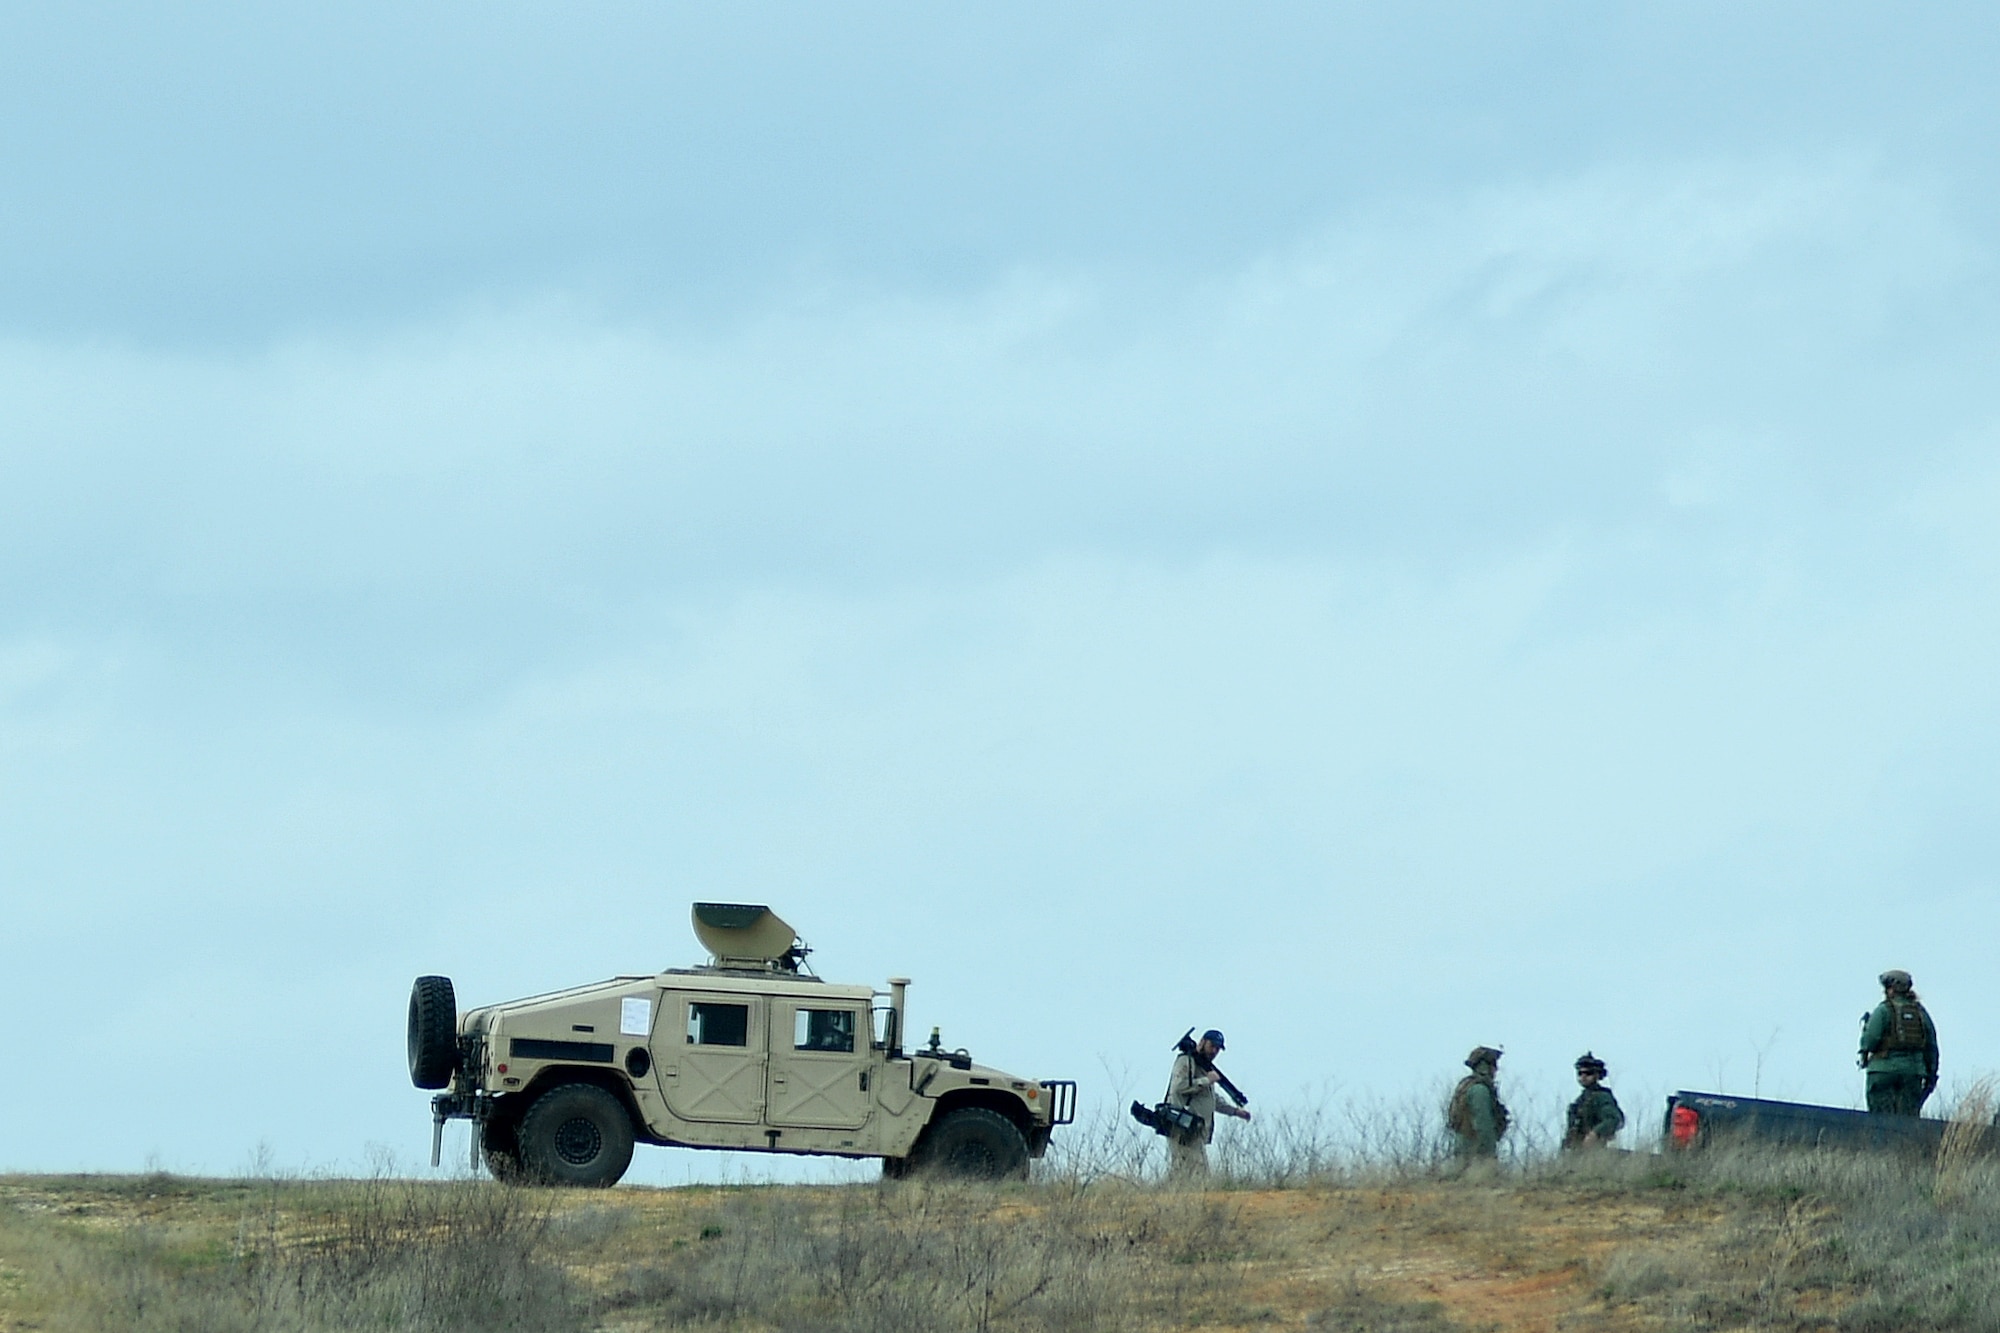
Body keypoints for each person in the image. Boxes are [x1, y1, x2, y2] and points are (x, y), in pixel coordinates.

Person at [1164, 1029, 1251, 1179]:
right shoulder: (1186, 1061)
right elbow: (1178, 1087)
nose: (1215, 1051)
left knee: (1186, 1173)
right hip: (1181, 1127)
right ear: (1202, 1042)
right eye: (1212, 1046)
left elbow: (1210, 1100)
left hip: (1195, 1131)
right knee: (1198, 1174)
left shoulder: (1204, 1068)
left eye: (1218, 1048)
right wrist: (1207, 1080)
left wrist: (1235, 1111)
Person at [1859, 969, 1938, 1115]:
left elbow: (1870, 1042)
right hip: (1913, 1073)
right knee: (1907, 1122)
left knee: (1879, 1120)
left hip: (1882, 1072)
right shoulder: (1921, 1013)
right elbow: (1932, 1047)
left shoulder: (1883, 1010)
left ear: (1890, 989)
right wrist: (1931, 1074)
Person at [1447, 1046, 1509, 1160]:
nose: (1496, 1069)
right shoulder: (1480, 1090)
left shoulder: (1466, 1087)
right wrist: (1489, 1155)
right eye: (1493, 1065)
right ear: (1486, 1066)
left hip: (1464, 1152)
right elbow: (1484, 1125)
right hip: (1475, 1154)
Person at [1562, 1052, 1626, 1150]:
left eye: (1588, 1073)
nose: (1583, 1076)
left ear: (1597, 1075)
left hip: (1596, 1150)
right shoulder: (1580, 1101)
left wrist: (1595, 1134)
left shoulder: (1602, 1096)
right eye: (1580, 1073)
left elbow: (1614, 1119)